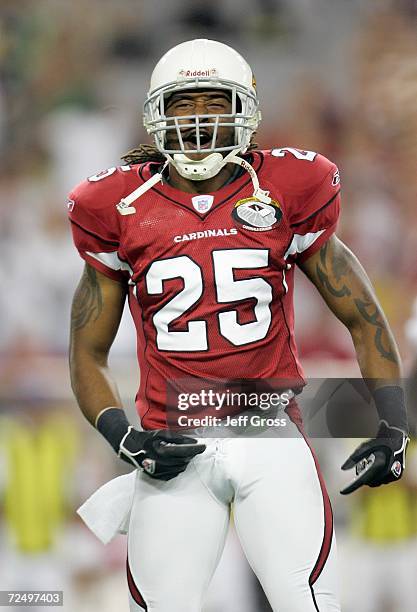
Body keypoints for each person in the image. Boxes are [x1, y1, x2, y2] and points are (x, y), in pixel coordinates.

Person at [68, 39, 409, 612]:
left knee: (307, 604)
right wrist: (124, 438)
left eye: (213, 102)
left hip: (270, 431)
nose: (199, 121)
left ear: (245, 112)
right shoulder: (116, 205)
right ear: (157, 114)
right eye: (184, 105)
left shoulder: (285, 187)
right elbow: (88, 350)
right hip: (173, 445)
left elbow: (363, 314)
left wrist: (395, 427)